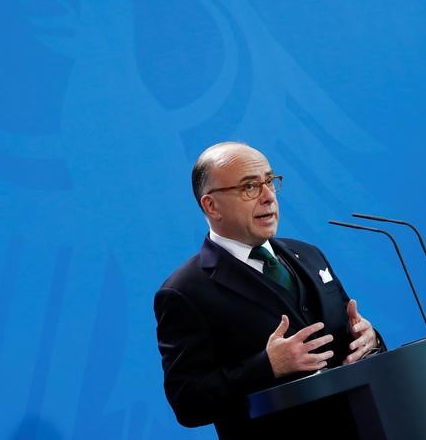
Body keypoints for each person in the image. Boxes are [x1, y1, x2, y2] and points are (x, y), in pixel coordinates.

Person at [154, 142, 384, 439]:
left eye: (270, 181)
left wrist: (369, 339)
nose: (268, 196)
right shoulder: (184, 291)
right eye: (250, 187)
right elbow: (187, 403)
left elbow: (350, 335)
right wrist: (267, 366)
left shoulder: (309, 254)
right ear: (211, 206)